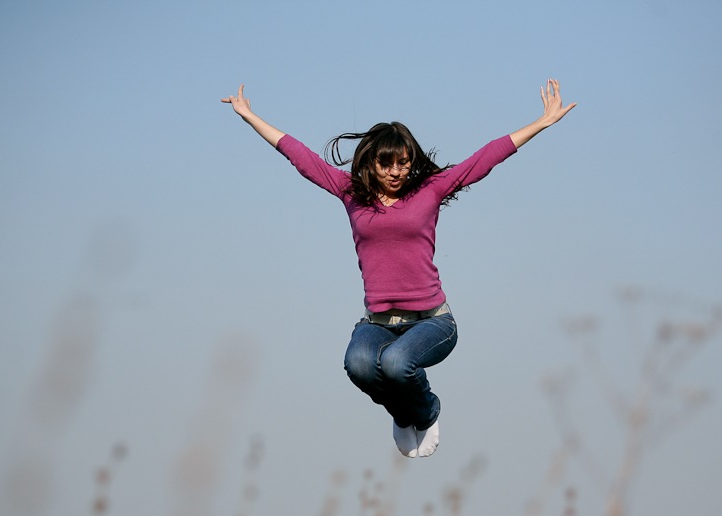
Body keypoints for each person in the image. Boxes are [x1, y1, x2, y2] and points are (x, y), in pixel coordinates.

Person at [222, 79, 575, 458]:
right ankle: (403, 414)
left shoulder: (430, 190)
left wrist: (541, 123)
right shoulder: (350, 192)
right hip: (377, 324)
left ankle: (426, 411)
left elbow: (486, 157)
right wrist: (250, 117)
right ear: (371, 163)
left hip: (432, 322)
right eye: (386, 163)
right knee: (359, 364)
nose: (395, 171)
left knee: (395, 363)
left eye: (403, 163)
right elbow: (299, 156)